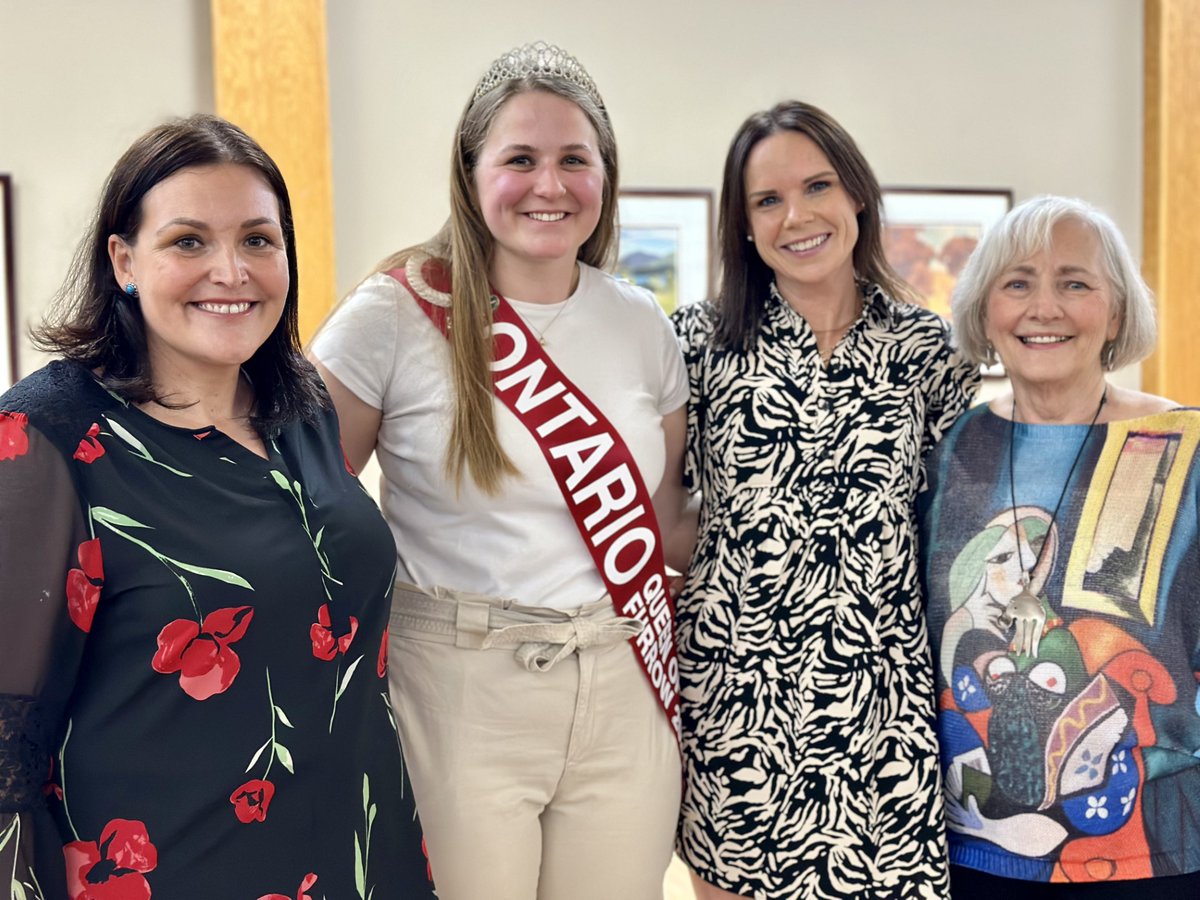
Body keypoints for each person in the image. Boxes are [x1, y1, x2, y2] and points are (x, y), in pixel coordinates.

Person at [0, 115, 433, 898]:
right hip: (174, 868)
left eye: (259, 241)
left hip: (362, 852)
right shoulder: (45, 436)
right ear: (123, 260)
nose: (231, 271)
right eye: (189, 241)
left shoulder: (301, 405)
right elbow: (6, 743)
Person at [310, 42, 690, 900]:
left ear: (605, 175)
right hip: (458, 682)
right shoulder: (396, 312)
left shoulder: (641, 325)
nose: (548, 185)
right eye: (519, 158)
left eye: (573, 160)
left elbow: (662, 526)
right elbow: (303, 511)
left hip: (624, 672)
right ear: (471, 170)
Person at [671, 100, 979, 900]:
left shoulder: (926, 348)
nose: (796, 215)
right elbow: (656, 514)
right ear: (741, 225)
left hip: (883, 703)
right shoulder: (694, 342)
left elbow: (951, 524)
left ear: (857, 198)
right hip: (740, 699)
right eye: (767, 200)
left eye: (817, 186)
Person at [919, 194, 1200, 898]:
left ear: (1115, 311)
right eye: (1017, 284)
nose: (1043, 307)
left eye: (1074, 283)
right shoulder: (947, 453)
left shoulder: (1181, 447)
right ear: (987, 311)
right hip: (971, 855)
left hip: (1156, 855)